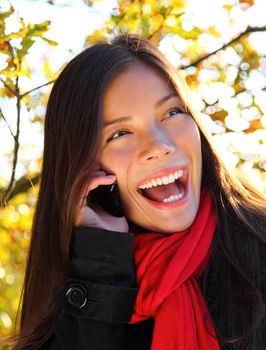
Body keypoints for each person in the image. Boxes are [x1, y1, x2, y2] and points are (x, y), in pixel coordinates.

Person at [13, 34, 266, 350]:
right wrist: (100, 262)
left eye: (172, 112)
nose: (160, 145)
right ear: (85, 169)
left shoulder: (259, 249)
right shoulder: (78, 299)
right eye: (119, 133)